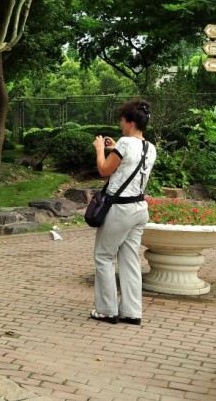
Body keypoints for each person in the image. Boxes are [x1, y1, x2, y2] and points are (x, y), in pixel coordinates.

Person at [90, 98, 157, 325]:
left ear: (130, 122)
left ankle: (107, 310)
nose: (120, 124)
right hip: (140, 208)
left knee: (104, 256)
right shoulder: (150, 147)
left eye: (122, 120)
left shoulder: (125, 143)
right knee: (129, 259)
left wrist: (100, 149)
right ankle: (131, 311)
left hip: (121, 209)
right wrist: (113, 148)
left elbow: (103, 170)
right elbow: (131, 161)